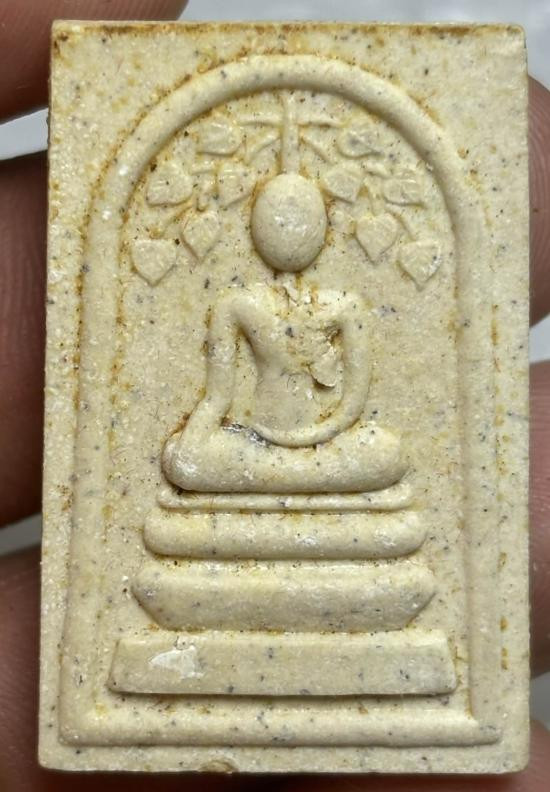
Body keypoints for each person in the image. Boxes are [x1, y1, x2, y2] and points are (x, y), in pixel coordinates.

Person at [0, 2, 549, 790]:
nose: (288, 228)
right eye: (275, 214)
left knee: (384, 452)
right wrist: (200, 442)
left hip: (323, 447)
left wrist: (315, 436)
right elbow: (218, 398)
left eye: (301, 215)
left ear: (324, 224)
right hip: (255, 444)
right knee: (189, 462)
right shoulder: (235, 304)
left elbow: (356, 401)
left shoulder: (346, 306)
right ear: (256, 223)